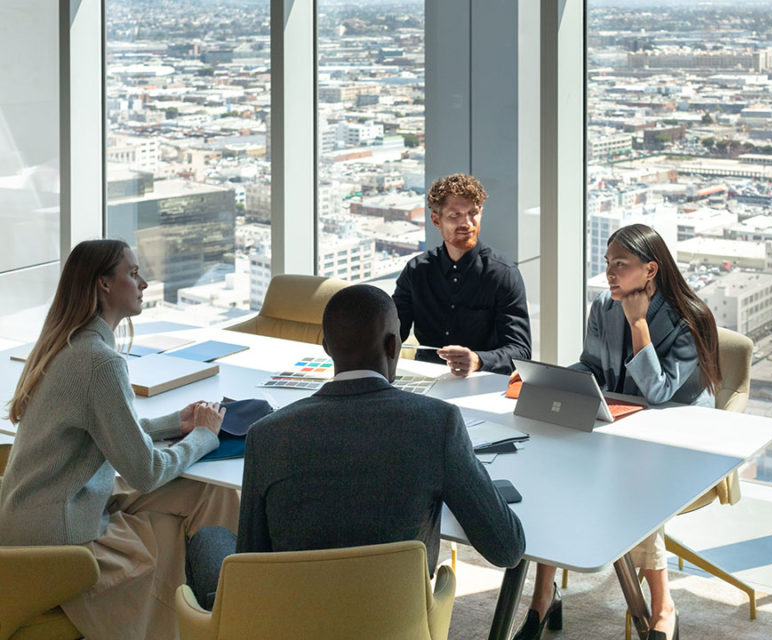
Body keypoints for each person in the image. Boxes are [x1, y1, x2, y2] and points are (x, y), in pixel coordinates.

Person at [186, 284, 525, 607]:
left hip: (294, 623)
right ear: (393, 346)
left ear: (326, 347)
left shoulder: (268, 434)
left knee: (209, 539)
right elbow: (507, 549)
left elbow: (252, 563)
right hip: (396, 623)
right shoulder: (438, 423)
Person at [0, 239, 239, 640]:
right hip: (58, 536)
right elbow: (145, 471)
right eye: (132, 273)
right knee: (179, 519)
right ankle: (205, 617)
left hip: (35, 508)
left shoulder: (71, 342)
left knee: (211, 494)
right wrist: (201, 436)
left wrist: (172, 424)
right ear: (104, 285)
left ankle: (216, 611)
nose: (144, 282)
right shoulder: (99, 361)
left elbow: (102, 431)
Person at [513, 224, 721, 640]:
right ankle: (542, 596)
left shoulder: (688, 319)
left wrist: (639, 323)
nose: (609, 273)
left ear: (650, 270)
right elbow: (592, 365)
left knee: (632, 487)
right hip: (620, 428)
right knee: (554, 471)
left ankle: (663, 607)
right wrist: (550, 380)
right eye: (608, 263)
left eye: (620, 265)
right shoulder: (602, 308)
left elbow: (659, 394)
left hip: (676, 440)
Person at [393, 173, 532, 377]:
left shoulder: (503, 274)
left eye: (472, 213)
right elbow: (391, 334)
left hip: (482, 382)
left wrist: (478, 360)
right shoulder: (416, 271)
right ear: (435, 220)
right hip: (425, 378)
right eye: (455, 215)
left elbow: (521, 352)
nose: (467, 223)